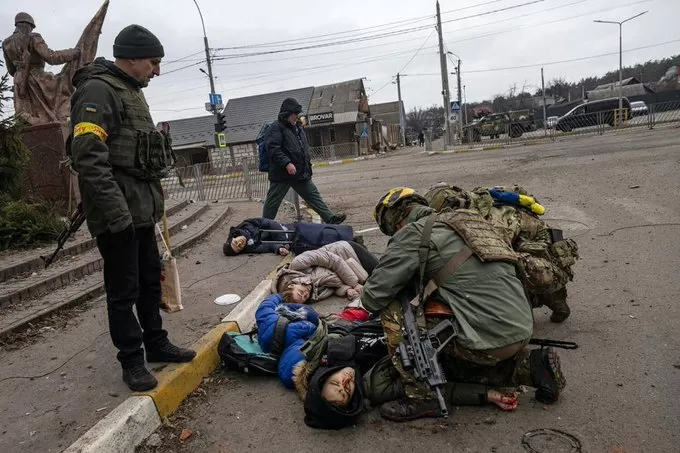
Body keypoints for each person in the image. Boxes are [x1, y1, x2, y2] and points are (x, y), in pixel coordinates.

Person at [360, 187, 566, 422]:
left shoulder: (413, 234)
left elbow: (373, 297)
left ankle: (422, 395)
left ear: (395, 223)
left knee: (397, 307)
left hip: (488, 340)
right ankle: (532, 366)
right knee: (447, 318)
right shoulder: (471, 221)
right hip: (520, 327)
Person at [70, 24, 195, 391]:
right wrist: (117, 215)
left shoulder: (131, 91)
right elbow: (89, 159)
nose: (156, 71)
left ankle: (155, 342)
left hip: (141, 210)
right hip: (118, 215)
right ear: (133, 57)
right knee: (123, 291)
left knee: (148, 283)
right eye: (153, 63)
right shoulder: (97, 90)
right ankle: (131, 360)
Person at [255, 294, 523, 430]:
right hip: (421, 333)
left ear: (325, 375)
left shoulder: (322, 353)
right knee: (472, 361)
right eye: (347, 391)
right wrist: (486, 396)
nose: (346, 381)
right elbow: (436, 387)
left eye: (337, 383)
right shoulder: (377, 387)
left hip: (382, 316)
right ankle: (530, 366)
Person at [424, 183, 579, 322]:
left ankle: (540, 306)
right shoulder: (476, 203)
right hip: (530, 246)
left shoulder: (489, 220)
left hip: (544, 255)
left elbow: (497, 257)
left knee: (505, 272)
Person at [262, 98, 346, 224]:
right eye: (295, 114)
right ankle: (264, 225)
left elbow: (301, 148)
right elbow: (273, 149)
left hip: (299, 172)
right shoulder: (275, 128)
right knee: (273, 202)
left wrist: (306, 164)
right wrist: (287, 163)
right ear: (286, 114)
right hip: (282, 174)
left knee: (313, 195)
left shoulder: (297, 127)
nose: (297, 116)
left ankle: (330, 218)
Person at [2, 12, 81, 123]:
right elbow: (51, 57)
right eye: (31, 27)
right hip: (38, 80)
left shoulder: (6, 43)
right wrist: (72, 53)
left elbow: (11, 70)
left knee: (27, 121)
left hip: (19, 81)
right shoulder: (34, 37)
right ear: (28, 25)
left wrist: (21, 73)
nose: (31, 29)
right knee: (63, 87)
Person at [273, 240, 374, 303]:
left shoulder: (298, 263)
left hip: (347, 251)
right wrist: (347, 290)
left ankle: (357, 243)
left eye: (300, 293)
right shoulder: (313, 294)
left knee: (384, 275)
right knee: (376, 286)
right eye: (303, 298)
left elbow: (334, 260)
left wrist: (354, 284)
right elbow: (332, 282)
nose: (305, 294)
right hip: (353, 270)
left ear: (291, 285)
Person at [223, 217, 291, 257]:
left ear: (234, 237)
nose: (240, 243)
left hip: (284, 230)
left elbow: (268, 222)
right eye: (239, 248)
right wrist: (279, 248)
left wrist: (283, 240)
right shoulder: (251, 247)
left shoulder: (246, 224)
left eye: (235, 242)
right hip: (290, 238)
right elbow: (268, 246)